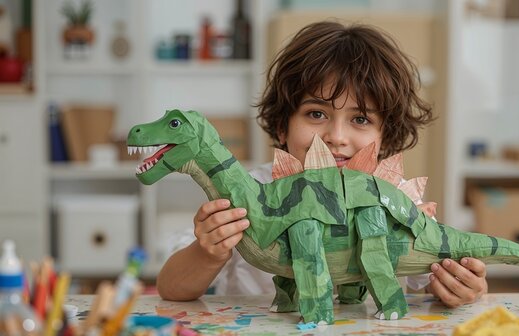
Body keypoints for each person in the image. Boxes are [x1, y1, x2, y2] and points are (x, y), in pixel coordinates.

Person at [157, 21, 488, 308]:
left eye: (360, 118)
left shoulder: (395, 202)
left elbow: (435, 284)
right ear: (283, 126)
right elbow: (171, 289)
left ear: (384, 137)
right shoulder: (248, 192)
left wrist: (460, 286)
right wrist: (208, 253)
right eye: (316, 114)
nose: (336, 136)